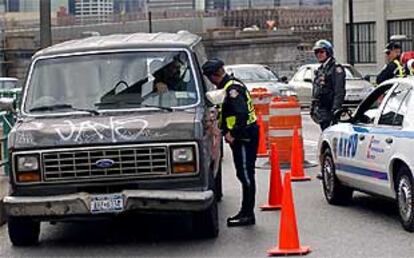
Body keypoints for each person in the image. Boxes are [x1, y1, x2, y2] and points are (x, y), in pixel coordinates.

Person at [202, 58, 259, 227]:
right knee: (244, 174)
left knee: (246, 175)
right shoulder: (230, 85)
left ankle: (247, 214)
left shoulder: (232, 89)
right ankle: (245, 212)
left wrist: (232, 134)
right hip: (244, 135)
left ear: (214, 76)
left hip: (244, 136)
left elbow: (241, 114)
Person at [310, 39, 346, 131]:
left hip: (330, 110)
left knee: (329, 138)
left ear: (328, 52)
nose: (319, 54)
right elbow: (317, 90)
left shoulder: (335, 68)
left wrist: (335, 110)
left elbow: (339, 91)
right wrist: (313, 108)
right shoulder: (321, 69)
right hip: (321, 111)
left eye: (322, 51)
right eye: (316, 52)